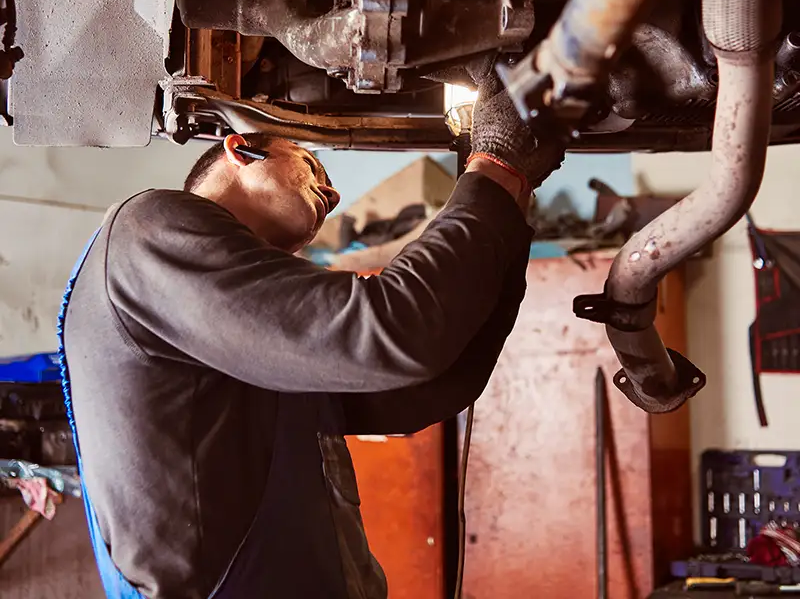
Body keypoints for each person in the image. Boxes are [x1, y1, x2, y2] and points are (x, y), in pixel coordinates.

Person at [60, 77, 564, 599]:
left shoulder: (241, 328)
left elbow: (425, 385)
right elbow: (391, 332)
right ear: (241, 149)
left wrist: (509, 199)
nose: (335, 194)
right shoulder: (149, 230)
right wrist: (494, 167)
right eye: (310, 164)